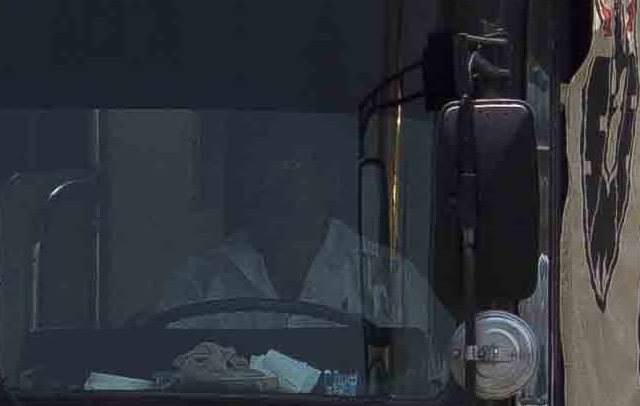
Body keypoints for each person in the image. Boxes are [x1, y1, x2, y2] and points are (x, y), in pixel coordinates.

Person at [158, 126, 445, 388]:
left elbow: (433, 383)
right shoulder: (200, 282)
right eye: (270, 165)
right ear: (247, 180)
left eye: (300, 164)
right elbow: (162, 375)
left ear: (331, 180)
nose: (287, 182)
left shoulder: (389, 279)